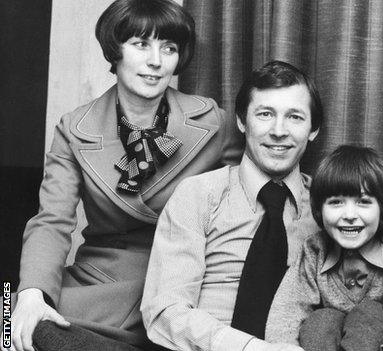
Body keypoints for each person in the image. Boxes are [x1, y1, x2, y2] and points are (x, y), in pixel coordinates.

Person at [10, 0, 242, 350]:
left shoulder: (215, 123)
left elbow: (245, 205)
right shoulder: (75, 128)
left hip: (185, 282)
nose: (156, 61)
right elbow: (51, 220)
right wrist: (29, 294)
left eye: (169, 48)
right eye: (141, 44)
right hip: (100, 282)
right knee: (7, 325)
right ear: (114, 50)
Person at [141, 60, 323, 351]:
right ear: (241, 121)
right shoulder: (198, 195)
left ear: (313, 130)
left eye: (295, 118)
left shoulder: (329, 208)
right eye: (265, 114)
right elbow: (165, 312)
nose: (279, 131)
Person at [265, 145, 383, 351]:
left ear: (382, 208)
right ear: (319, 209)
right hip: (326, 338)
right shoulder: (315, 249)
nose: (349, 215)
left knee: (370, 313)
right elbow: (288, 311)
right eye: (336, 202)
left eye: (363, 202)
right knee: (321, 319)